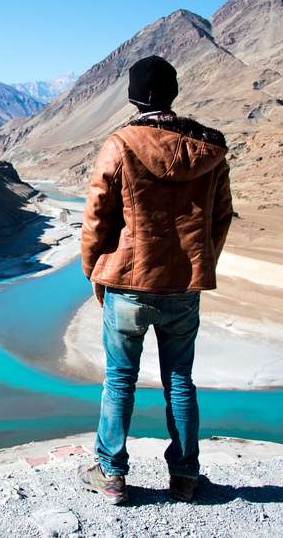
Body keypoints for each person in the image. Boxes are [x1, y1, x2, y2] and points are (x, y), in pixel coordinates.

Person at [77, 55, 233, 504]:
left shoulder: (121, 145)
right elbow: (220, 217)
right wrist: (197, 263)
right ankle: (184, 476)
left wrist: (93, 269)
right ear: (172, 93)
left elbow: (96, 216)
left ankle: (111, 474)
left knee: (119, 380)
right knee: (180, 380)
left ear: (133, 97)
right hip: (182, 287)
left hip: (128, 283)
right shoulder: (208, 151)